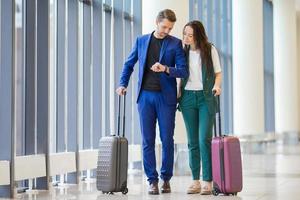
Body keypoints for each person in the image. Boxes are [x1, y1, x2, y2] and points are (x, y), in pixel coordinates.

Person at [116, 9, 188, 195]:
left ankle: (166, 179)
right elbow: (129, 64)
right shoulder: (141, 41)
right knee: (147, 141)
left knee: (166, 140)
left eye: (170, 28)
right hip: (145, 97)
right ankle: (152, 180)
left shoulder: (175, 44)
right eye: (164, 26)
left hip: (166, 99)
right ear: (157, 22)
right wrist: (122, 84)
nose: (166, 31)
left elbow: (183, 71)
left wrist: (165, 68)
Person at [178, 20, 222, 195]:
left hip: (206, 98)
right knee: (192, 141)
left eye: (190, 35)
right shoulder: (182, 51)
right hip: (187, 98)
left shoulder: (209, 49)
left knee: (204, 138)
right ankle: (195, 180)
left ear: (198, 35)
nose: (187, 38)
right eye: (185, 34)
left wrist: (217, 86)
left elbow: (218, 73)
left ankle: (207, 181)